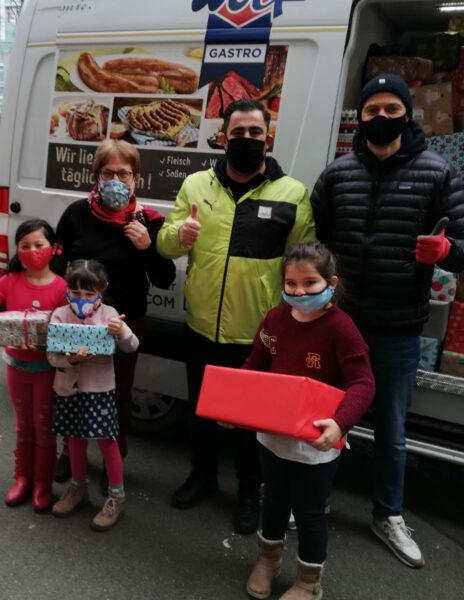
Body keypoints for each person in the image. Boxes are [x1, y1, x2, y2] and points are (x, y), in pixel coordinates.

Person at [311, 73, 464, 569]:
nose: (381, 118)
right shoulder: (338, 174)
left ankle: (388, 514)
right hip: (340, 323)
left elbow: (463, 245)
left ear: (408, 113)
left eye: (391, 109)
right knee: (326, 418)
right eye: (372, 110)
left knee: (393, 431)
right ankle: (313, 501)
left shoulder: (438, 172)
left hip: (399, 325)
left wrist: (448, 250)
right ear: (361, 116)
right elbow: (318, 242)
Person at [157, 98, 316, 534]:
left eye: (255, 133)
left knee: (251, 423)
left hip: (259, 332)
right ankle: (202, 476)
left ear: (268, 138)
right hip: (202, 324)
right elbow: (166, 244)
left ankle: (250, 490)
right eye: (239, 132)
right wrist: (179, 235)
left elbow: (303, 263)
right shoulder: (196, 185)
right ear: (223, 136)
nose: (247, 139)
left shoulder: (293, 193)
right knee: (203, 411)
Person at [240, 242, 375, 600]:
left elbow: (363, 382)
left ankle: (308, 581)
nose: (299, 292)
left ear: (330, 282)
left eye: (310, 283)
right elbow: (256, 363)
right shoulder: (274, 318)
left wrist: (341, 423)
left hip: (316, 442)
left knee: (310, 512)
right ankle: (267, 560)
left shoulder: (341, 327)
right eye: (291, 283)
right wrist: (234, 401)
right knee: (272, 500)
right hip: (271, 435)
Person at [54, 139, 175, 487]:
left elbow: (165, 279)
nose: (116, 180)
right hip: (75, 319)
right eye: (108, 172)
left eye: (123, 173)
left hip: (122, 322)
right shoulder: (76, 214)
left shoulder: (147, 221)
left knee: (118, 392)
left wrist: (148, 248)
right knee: (70, 384)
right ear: (96, 176)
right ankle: (68, 451)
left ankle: (114, 458)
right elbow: (58, 266)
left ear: (136, 178)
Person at [0, 219, 67, 511]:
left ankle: (42, 484)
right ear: (17, 250)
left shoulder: (63, 288)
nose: (32, 251)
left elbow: (71, 332)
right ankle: (22, 478)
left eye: (39, 245)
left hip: (48, 370)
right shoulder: (9, 282)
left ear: (54, 248)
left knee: (45, 428)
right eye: (25, 246)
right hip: (17, 368)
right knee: (24, 426)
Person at [48, 259, 139, 531]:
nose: (82, 299)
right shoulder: (60, 315)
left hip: (99, 390)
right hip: (67, 388)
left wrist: (121, 331)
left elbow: (132, 346)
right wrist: (72, 360)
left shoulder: (110, 314)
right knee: (73, 439)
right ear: (67, 290)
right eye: (75, 292)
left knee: (106, 442)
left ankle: (116, 496)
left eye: (89, 293)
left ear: (102, 289)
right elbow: (52, 356)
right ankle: (78, 487)